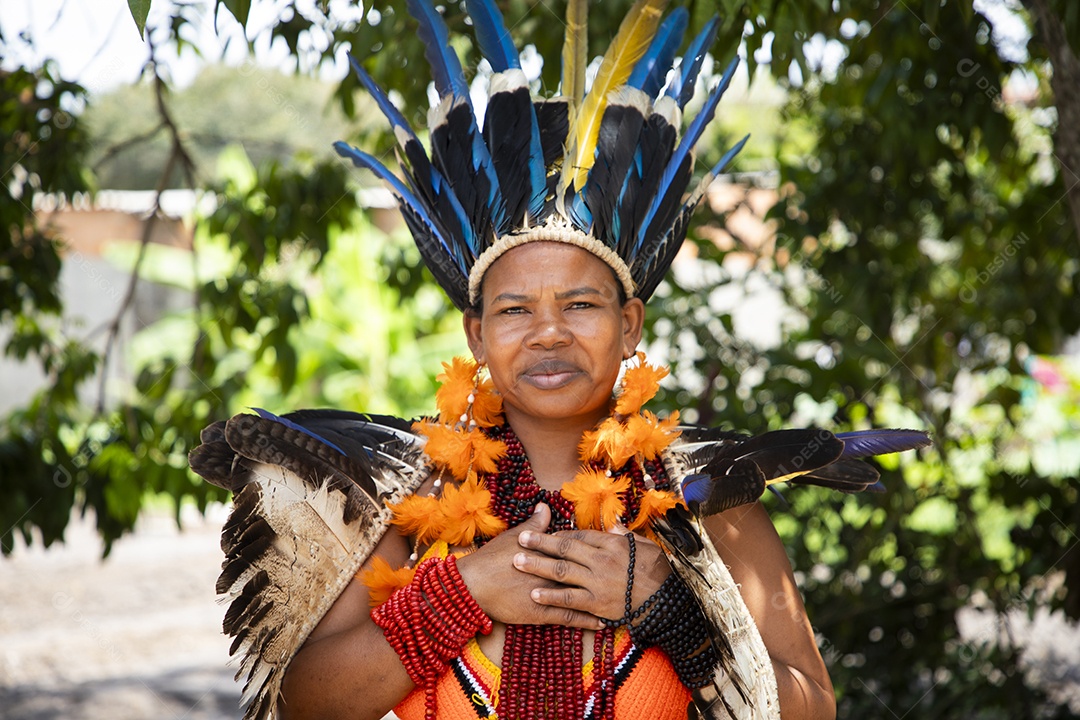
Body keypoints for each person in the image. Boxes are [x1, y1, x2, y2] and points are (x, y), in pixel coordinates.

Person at [189, 1, 928, 718]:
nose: (548, 334)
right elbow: (302, 703)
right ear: (476, 335)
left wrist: (673, 609)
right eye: (515, 310)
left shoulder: (706, 502)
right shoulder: (407, 499)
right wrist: (462, 595)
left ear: (629, 325)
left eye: (580, 304)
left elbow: (812, 707)